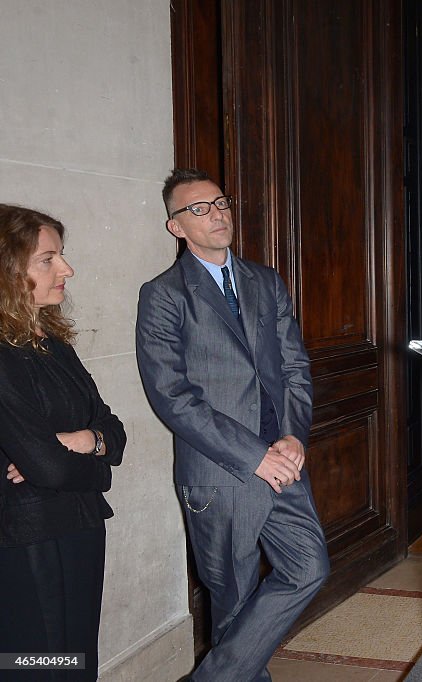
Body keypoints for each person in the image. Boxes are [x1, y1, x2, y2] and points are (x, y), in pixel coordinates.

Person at [136, 169, 329, 681]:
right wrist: (254, 455)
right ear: (175, 227)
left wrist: (292, 435)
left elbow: (294, 367)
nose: (217, 214)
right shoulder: (163, 295)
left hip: (283, 460)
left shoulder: (266, 281)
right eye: (198, 208)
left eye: (220, 202)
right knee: (235, 602)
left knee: (308, 568)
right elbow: (172, 397)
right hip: (221, 472)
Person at [0, 205, 126, 680]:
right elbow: (49, 469)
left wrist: (82, 440)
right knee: (38, 666)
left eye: (62, 256)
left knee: (78, 664)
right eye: (47, 259)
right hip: (28, 539)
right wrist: (98, 459)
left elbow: (114, 428)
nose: (66, 269)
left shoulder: (52, 341)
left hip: (81, 524)